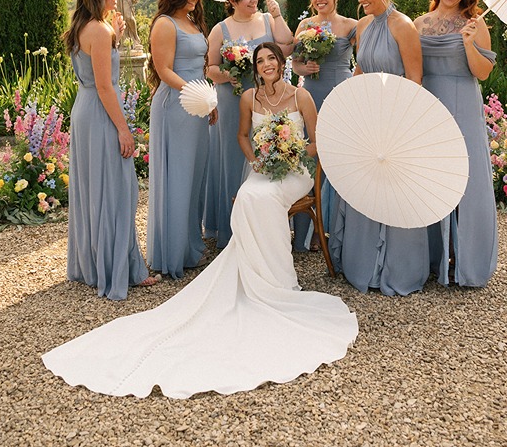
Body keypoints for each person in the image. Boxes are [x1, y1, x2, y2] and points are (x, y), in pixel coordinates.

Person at [42, 42, 357, 399]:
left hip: (295, 171)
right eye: (260, 61)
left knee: (264, 199)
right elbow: (242, 136)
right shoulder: (249, 98)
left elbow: (317, 140)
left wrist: (293, 153)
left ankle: (278, 283)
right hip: (262, 169)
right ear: (255, 68)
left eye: (272, 58)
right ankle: (254, 274)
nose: (267, 64)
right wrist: (257, 159)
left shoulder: (301, 97)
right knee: (249, 197)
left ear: (281, 63)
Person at [329, 0, 430, 295]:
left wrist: (399, 118)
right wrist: (347, 99)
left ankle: (395, 267)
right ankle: (362, 263)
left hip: (396, 118)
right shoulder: (362, 25)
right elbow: (361, 67)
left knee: (392, 188)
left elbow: (414, 78)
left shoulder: (404, 25)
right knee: (365, 185)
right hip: (367, 117)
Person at [64, 0, 156, 300]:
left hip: (84, 111)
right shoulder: (100, 32)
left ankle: (95, 264)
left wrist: (113, 35)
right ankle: (121, 269)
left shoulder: (82, 26)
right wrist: (123, 129)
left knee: (95, 189)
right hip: (101, 114)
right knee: (117, 189)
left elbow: (93, 73)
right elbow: (105, 87)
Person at [414, 0, 497, 287]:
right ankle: (435, 257)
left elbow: (483, 73)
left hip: (463, 104)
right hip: (428, 107)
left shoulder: (475, 24)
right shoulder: (418, 24)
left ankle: (466, 259)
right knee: (431, 179)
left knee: (467, 179)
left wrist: (467, 43)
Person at [204, 0, 294, 248]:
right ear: (231, 1)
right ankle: (233, 229)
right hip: (232, 100)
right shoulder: (220, 29)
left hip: (267, 99)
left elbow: (288, 46)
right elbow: (210, 68)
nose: (254, 0)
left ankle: (266, 227)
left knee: (269, 151)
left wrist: (277, 15)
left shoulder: (267, 19)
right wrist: (227, 74)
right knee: (234, 157)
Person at [146, 0, 217, 278]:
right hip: (175, 105)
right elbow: (164, 70)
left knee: (195, 176)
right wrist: (197, 93)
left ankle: (190, 244)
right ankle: (173, 251)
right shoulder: (165, 24)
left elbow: (200, 67)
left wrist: (208, 99)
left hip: (197, 104)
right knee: (177, 176)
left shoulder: (192, 21)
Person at [291, 0, 357, 248]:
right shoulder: (305, 25)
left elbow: (365, 59)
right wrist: (303, 69)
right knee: (311, 157)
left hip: (341, 95)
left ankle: (330, 228)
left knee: (337, 158)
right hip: (312, 95)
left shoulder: (352, 26)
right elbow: (295, 64)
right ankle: (307, 228)